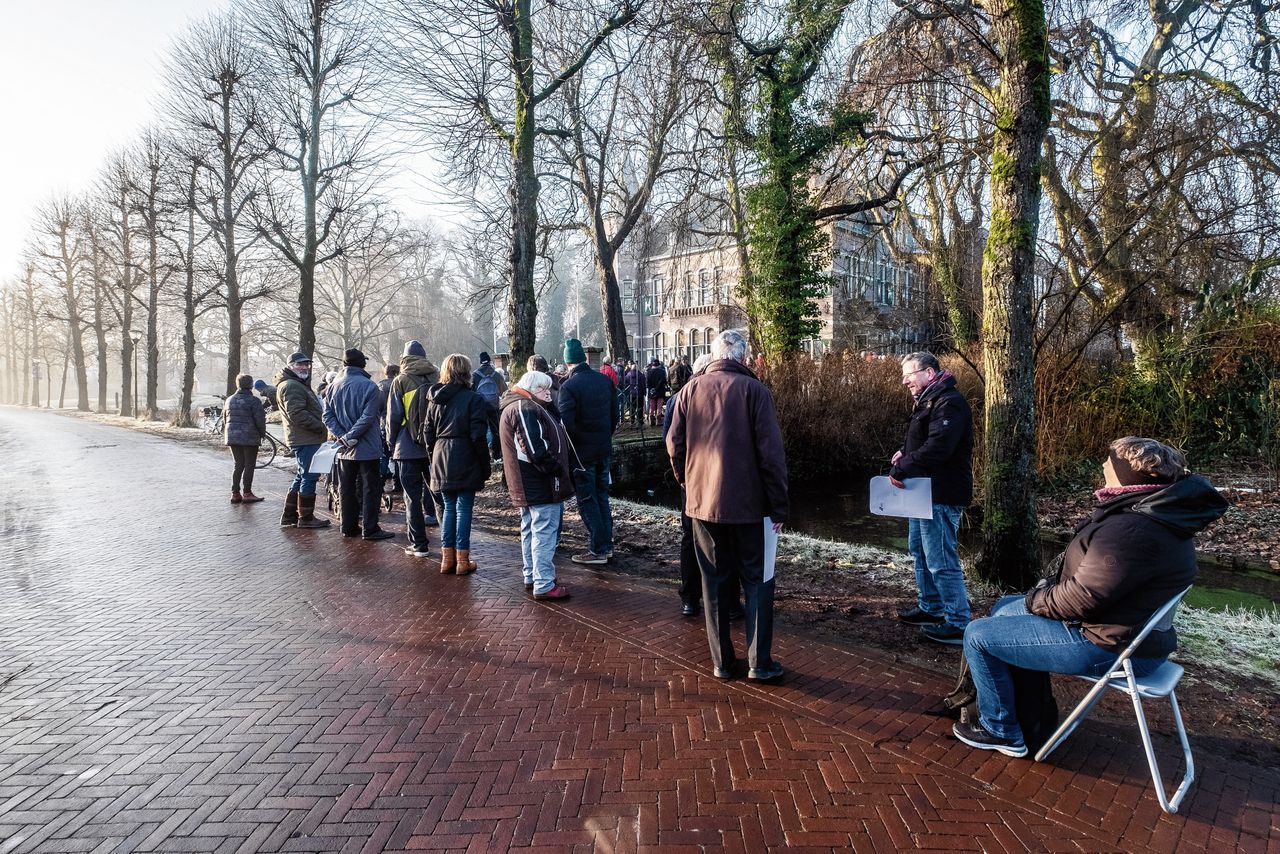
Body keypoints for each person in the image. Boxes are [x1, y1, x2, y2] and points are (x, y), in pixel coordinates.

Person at [953, 437, 1228, 757]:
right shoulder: (1158, 513)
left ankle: (1002, 729)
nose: (1103, 465)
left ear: (1127, 476)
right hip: (1134, 636)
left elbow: (1082, 599)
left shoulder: (1132, 530)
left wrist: (1034, 601)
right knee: (1002, 609)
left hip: (1108, 646)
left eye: (1110, 462)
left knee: (978, 634)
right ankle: (1032, 718)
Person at [667, 329, 789, 683]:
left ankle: (722, 662)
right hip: (751, 507)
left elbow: (674, 446)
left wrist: (689, 483)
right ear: (744, 357)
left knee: (715, 582)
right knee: (758, 581)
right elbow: (771, 456)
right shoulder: (755, 391)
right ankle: (758, 662)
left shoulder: (689, 390)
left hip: (703, 505)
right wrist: (779, 506)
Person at [890, 351, 975, 645]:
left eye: (909, 375)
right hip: (923, 493)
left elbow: (939, 448)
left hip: (941, 492)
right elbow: (925, 439)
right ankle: (931, 607)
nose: (905, 381)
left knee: (940, 559)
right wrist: (906, 452)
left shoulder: (948, 402)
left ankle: (958, 622)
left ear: (928, 373)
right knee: (920, 551)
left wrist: (902, 468)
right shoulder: (930, 399)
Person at [499, 370, 577, 599]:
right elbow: (534, 449)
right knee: (544, 531)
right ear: (530, 390)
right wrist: (556, 468)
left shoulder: (519, 406)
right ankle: (543, 582)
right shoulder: (525, 408)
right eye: (542, 388)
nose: (548, 392)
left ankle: (532, 575)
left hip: (528, 482)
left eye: (548, 387)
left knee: (530, 528)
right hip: (538, 483)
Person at [420, 354, 491, 575]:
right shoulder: (473, 399)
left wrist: (433, 456)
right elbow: (478, 436)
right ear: (466, 372)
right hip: (465, 454)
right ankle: (462, 559)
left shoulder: (434, 399)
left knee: (449, 507)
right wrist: (484, 464)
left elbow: (427, 433)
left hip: (441, 454)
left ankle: (447, 559)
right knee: (464, 508)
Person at [560, 337, 619, 565]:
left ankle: (598, 549)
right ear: (584, 359)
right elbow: (614, 417)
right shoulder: (605, 381)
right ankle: (607, 545)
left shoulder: (569, 387)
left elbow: (567, 426)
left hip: (581, 455)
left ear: (568, 363)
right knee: (602, 497)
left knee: (587, 500)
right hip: (603, 450)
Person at [323, 348, 393, 541]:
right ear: (362, 364)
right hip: (367, 446)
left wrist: (342, 436)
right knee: (370, 487)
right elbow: (369, 416)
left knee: (346, 487)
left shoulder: (332, 387)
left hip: (344, 448)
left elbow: (327, 416)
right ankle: (370, 529)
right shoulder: (369, 387)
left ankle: (348, 526)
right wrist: (351, 436)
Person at [388, 340, 442, 556]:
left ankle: (419, 544)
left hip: (406, 446)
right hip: (434, 447)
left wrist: (391, 443)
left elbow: (394, 417)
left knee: (412, 497)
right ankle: (449, 545)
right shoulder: (438, 377)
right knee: (439, 496)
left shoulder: (400, 380)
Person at [274, 352, 331, 529]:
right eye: (300, 364)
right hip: (306, 438)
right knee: (309, 475)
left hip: (303, 437)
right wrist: (322, 427)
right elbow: (297, 414)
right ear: (290, 366)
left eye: (307, 364)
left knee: (301, 475)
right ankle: (306, 518)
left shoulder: (295, 384)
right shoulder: (292, 386)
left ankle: (290, 515)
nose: (305, 367)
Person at [225, 373, 267, 504]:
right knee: (249, 465)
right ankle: (247, 493)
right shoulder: (254, 401)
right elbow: (260, 419)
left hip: (232, 435)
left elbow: (225, 418)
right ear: (251, 385)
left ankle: (235, 493)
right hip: (249, 436)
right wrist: (262, 433)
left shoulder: (229, 399)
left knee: (238, 465)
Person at [472, 351, 509, 463]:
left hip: (479, 407)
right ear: (490, 361)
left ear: (480, 362)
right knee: (495, 430)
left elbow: (471, 392)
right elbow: (505, 391)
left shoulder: (475, 375)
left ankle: (484, 454)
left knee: (481, 430)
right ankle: (497, 454)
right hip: (494, 406)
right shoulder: (496, 375)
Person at [622, 360, 646, 426]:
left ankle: (632, 421)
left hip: (631, 394)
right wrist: (644, 392)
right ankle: (640, 421)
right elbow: (643, 384)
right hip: (639, 394)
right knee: (640, 407)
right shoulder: (641, 375)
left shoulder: (628, 375)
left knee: (632, 408)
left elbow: (625, 384)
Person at [645, 358, 668, 426]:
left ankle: (651, 419)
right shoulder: (662, 371)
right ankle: (659, 420)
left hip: (651, 391)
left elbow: (647, 383)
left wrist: (651, 389)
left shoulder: (649, 372)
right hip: (660, 390)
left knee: (652, 406)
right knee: (659, 406)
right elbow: (664, 381)